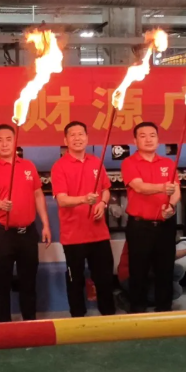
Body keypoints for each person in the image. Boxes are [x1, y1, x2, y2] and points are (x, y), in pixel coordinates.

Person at [0, 124, 51, 323]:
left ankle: (29, 322)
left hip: (28, 233)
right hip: (3, 234)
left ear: (15, 142)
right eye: (0, 140)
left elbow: (38, 195)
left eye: (8, 139)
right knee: (3, 280)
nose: (4, 144)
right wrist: (1, 204)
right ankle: (4, 325)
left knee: (28, 280)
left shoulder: (28, 166)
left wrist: (45, 224)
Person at [50, 120, 115, 317]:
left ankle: (109, 316)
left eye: (81, 134)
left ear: (87, 138)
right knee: (75, 279)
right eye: (72, 135)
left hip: (99, 234)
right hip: (73, 236)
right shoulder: (59, 167)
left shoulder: (96, 162)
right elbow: (62, 200)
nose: (77, 138)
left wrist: (102, 203)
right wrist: (84, 199)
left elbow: (105, 189)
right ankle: (78, 318)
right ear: (65, 140)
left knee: (104, 278)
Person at [121, 122, 181, 313]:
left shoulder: (168, 163)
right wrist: (163, 187)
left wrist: (171, 206)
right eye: (143, 136)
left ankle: (164, 310)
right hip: (140, 227)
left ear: (158, 139)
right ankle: (138, 312)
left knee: (165, 270)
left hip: (165, 225)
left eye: (152, 135)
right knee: (139, 271)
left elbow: (176, 190)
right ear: (135, 140)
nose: (148, 139)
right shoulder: (129, 163)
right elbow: (139, 187)